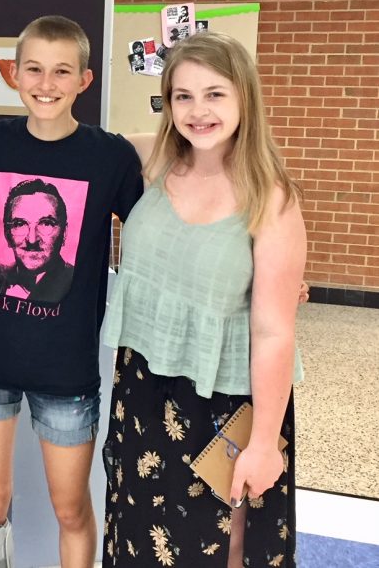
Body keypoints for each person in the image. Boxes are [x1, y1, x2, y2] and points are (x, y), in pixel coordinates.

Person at [100, 31, 306, 567]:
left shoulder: (271, 197)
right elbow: (62, 144)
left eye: (215, 94)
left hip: (228, 398)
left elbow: (274, 330)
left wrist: (263, 443)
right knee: (138, 533)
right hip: (144, 385)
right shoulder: (153, 159)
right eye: (182, 96)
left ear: (244, 97)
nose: (198, 111)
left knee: (223, 544)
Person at [0, 15, 143, 568]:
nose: (46, 82)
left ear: (84, 80)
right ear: (14, 74)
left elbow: (151, 239)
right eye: (33, 68)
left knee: (70, 508)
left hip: (68, 368)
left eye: (62, 71)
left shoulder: (109, 156)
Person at [0, 178, 75, 302]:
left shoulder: (73, 279)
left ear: (64, 233)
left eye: (46, 224)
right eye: (20, 224)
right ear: (7, 234)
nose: (32, 240)